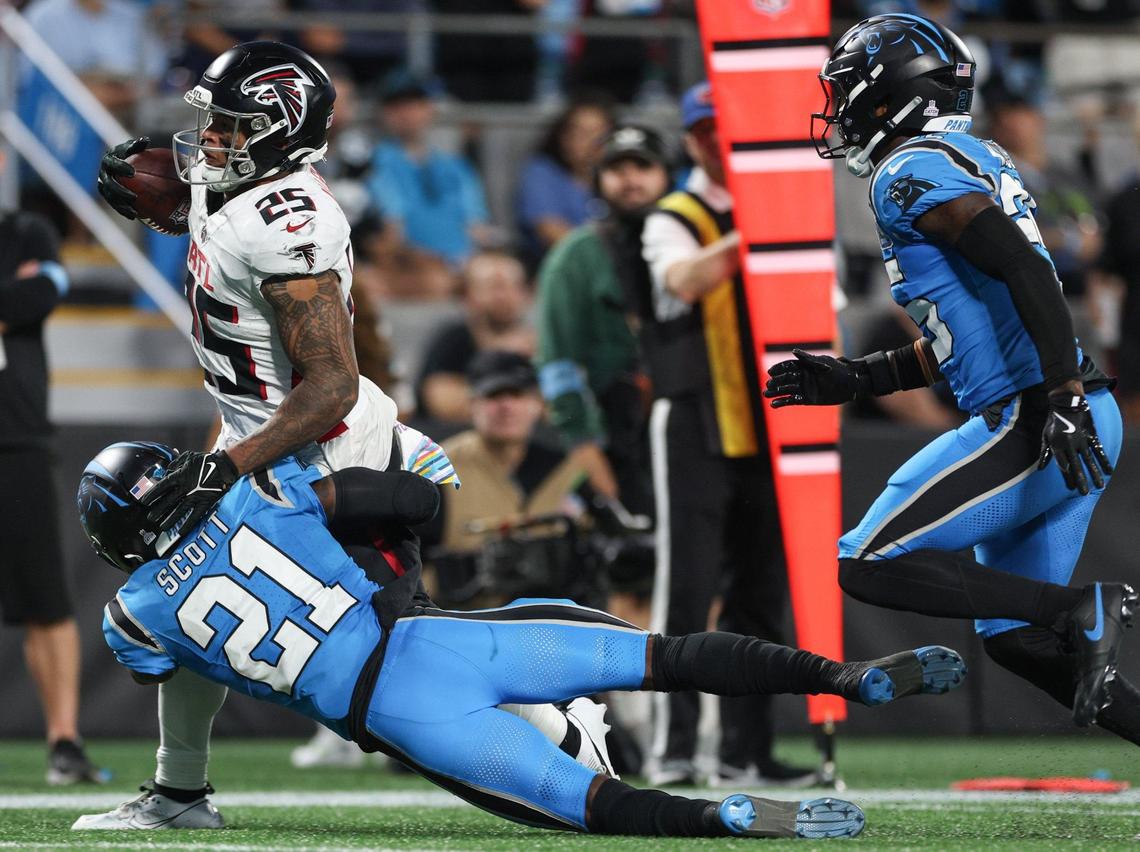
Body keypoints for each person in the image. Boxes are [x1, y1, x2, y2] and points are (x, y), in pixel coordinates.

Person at [90, 40, 612, 829]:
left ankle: (568, 732)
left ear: (279, 131)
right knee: (188, 586)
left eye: (233, 127)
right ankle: (180, 792)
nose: (212, 142)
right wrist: (169, 203)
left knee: (399, 663)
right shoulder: (243, 187)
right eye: (216, 125)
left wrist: (223, 466)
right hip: (272, 448)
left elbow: (331, 384)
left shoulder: (285, 221)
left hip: (330, 458)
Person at [76, 441, 971, 839]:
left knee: (584, 806)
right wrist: (389, 537)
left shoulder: (134, 615)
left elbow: (183, 668)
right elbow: (420, 505)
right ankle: (846, 675)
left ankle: (719, 819)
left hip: (391, 713)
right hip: (437, 640)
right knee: (661, 654)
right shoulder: (264, 493)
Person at [768, 13, 1140, 739]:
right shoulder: (974, 157)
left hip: (1041, 414)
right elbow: (974, 332)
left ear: (892, 93)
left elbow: (1028, 269)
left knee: (867, 562)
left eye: (851, 91)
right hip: (1068, 406)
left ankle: (1080, 608)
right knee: (1014, 639)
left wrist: (1059, 399)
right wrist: (858, 377)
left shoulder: (909, 169)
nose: (841, 108)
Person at [638, 82, 810, 788]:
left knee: (764, 594)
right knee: (687, 590)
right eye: (705, 130)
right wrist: (759, 228)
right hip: (696, 419)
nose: (717, 140)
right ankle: (675, 748)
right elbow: (683, 281)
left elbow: (815, 302)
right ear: (690, 140)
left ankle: (749, 750)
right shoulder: (673, 215)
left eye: (726, 129)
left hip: (772, 423)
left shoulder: (784, 215)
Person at [0, 154, 106, 785]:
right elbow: (24, 294)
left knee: (46, 598)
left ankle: (64, 738)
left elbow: (45, 292)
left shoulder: (28, 232)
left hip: (16, 439)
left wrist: (21, 293)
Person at [535, 124, 670, 515]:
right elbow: (556, 362)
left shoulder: (689, 245)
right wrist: (583, 444)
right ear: (598, 181)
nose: (630, 179)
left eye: (642, 167)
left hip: (686, 426)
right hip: (614, 432)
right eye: (617, 169)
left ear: (665, 174)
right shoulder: (575, 256)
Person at [423, 350, 596, 606]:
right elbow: (412, 565)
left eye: (517, 395)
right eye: (494, 395)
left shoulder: (565, 470)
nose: (507, 406)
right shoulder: (438, 467)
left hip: (549, 623)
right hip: (465, 622)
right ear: (472, 405)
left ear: (538, 404)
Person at [367, 70, 492, 271]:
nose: (407, 113)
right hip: (412, 267)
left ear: (430, 109)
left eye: (416, 104)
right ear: (384, 113)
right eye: (397, 106)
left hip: (464, 264)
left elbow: (477, 226)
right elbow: (392, 229)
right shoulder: (372, 163)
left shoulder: (455, 165)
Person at [416, 250, 534, 427]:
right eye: (494, 287)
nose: (504, 296)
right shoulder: (453, 339)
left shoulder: (541, 343)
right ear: (468, 294)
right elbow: (441, 402)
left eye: (513, 286)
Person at [516, 96, 614, 268]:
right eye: (582, 133)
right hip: (557, 271)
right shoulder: (543, 173)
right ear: (564, 138)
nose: (592, 142)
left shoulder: (623, 178)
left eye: (599, 133)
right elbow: (552, 232)